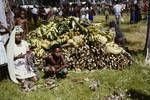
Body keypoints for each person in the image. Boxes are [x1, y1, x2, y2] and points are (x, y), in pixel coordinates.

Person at [7, 26, 37, 91]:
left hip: (25, 65)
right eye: (17, 35)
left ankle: (28, 81)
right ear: (13, 36)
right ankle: (25, 83)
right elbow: (9, 60)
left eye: (20, 35)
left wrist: (30, 53)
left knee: (35, 79)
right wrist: (18, 57)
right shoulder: (10, 45)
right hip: (16, 66)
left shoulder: (24, 43)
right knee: (23, 80)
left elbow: (28, 52)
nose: (19, 37)